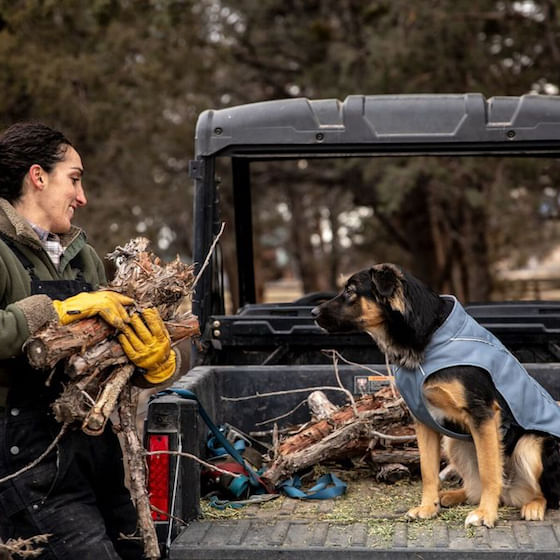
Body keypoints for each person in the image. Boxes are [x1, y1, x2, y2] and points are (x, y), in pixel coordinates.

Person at [0, 122, 180, 559]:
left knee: (146, 551)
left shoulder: (82, 256)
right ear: (37, 176)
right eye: (75, 179)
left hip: (93, 455)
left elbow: (101, 362)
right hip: (24, 461)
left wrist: (149, 367)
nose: (82, 198)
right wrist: (52, 311)